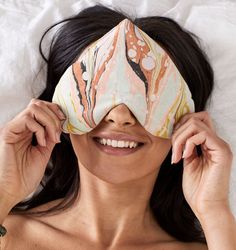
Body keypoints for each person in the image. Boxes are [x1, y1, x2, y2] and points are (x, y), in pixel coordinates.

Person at [0, 4, 235, 250]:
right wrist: (4, 190)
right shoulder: (7, 235)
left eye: (149, 93)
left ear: (189, 119)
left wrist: (215, 211)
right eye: (97, 89)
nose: (120, 115)